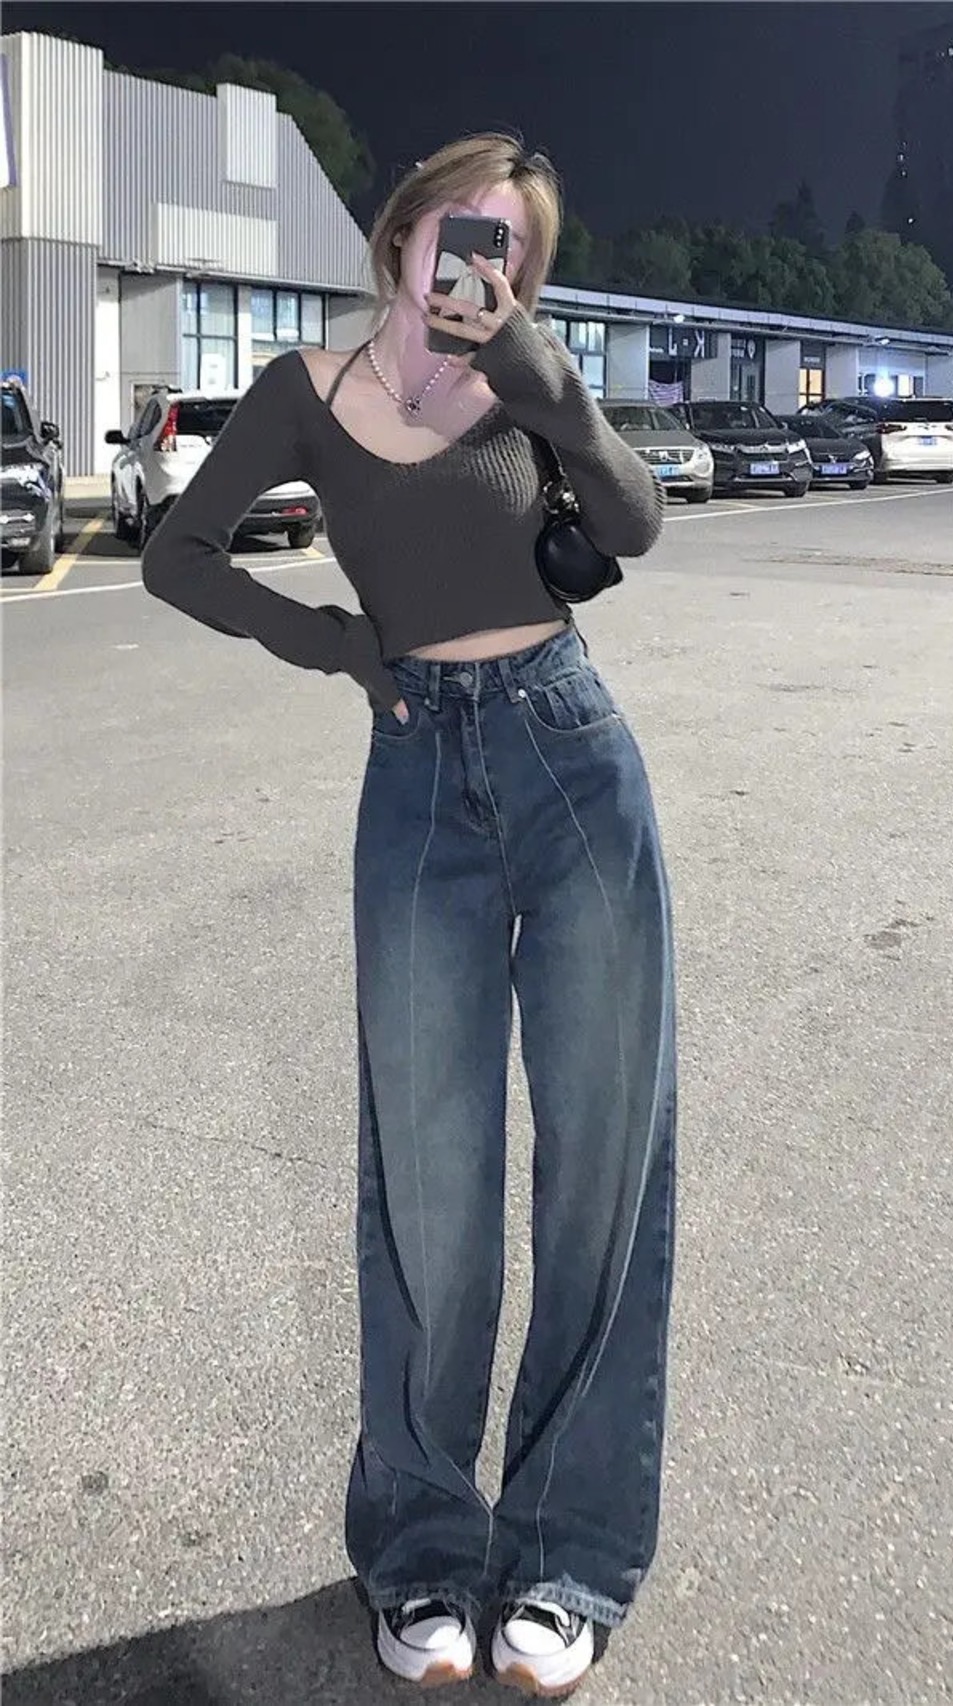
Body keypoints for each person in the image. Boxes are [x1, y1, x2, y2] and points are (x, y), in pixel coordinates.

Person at [142, 134, 677, 1698]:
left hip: (571, 754)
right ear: (404, 232)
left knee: (603, 1162)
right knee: (430, 1186)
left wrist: (539, 374)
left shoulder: (525, 381)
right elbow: (177, 556)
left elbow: (635, 522)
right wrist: (331, 645)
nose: (479, 263)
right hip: (417, 774)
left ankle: (570, 1552)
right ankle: (427, 1547)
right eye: (464, 232)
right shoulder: (305, 391)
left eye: (511, 248)